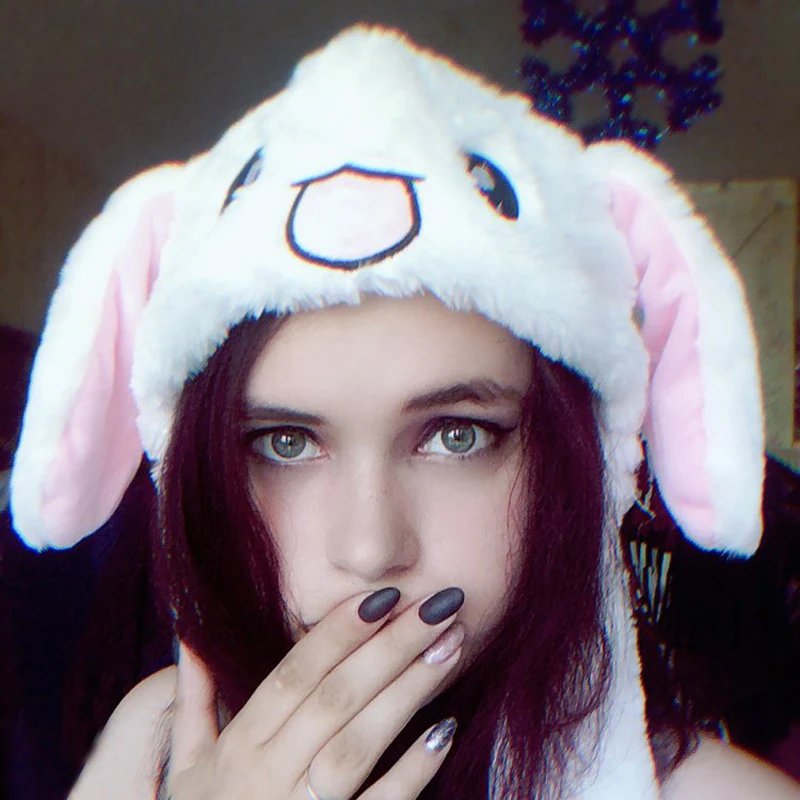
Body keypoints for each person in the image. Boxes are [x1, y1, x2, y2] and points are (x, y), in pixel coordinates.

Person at [10, 25, 800, 800]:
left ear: (577, 457)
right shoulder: (159, 743)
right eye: (284, 442)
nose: (370, 551)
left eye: (457, 436)